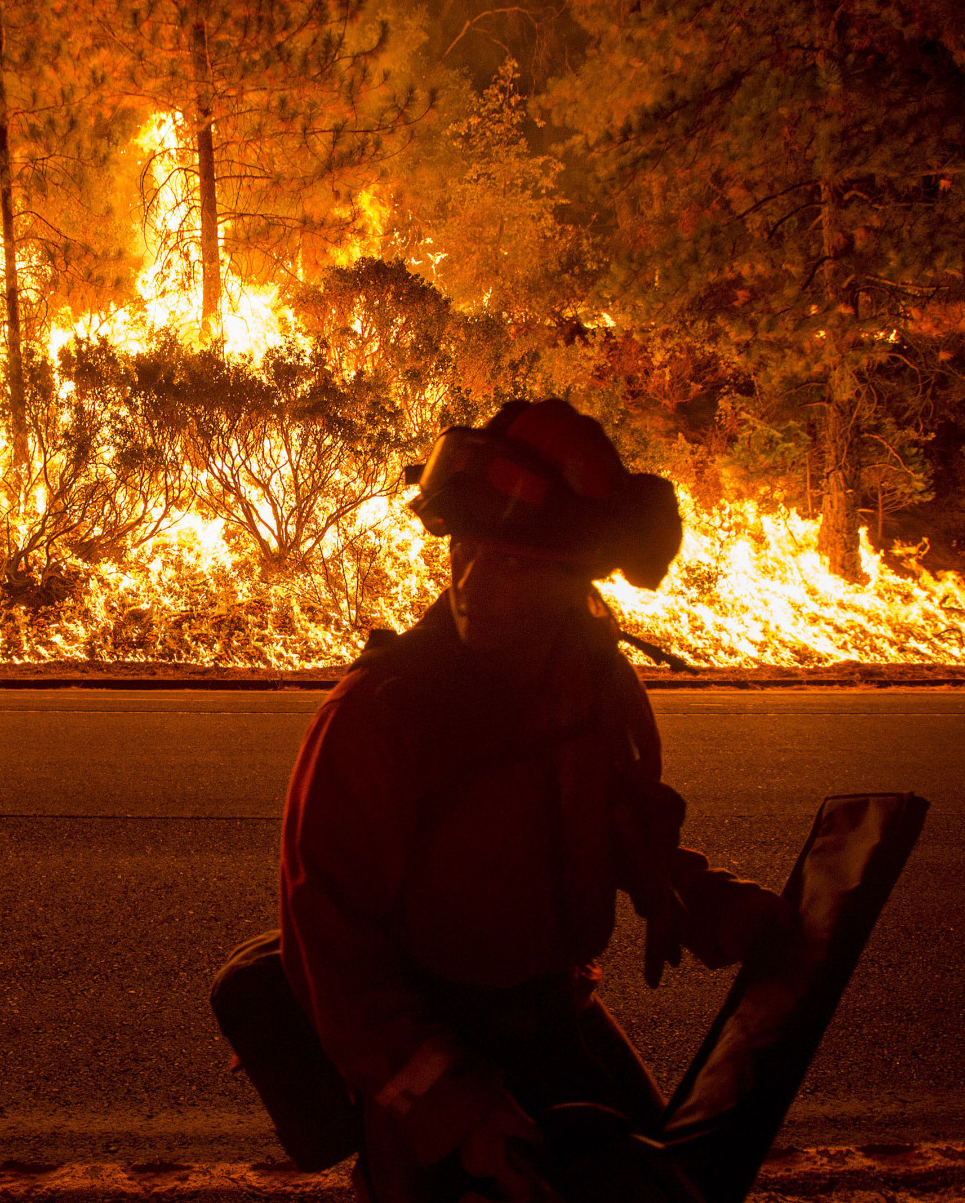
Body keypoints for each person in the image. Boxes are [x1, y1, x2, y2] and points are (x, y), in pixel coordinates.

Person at [278, 399, 789, 1203]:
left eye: (514, 563)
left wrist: (702, 900)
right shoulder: (382, 714)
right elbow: (330, 944)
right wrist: (452, 1107)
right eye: (468, 550)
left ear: (577, 573)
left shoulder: (586, 687)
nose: (475, 584)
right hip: (437, 1047)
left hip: (560, 1015)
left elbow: (609, 819)